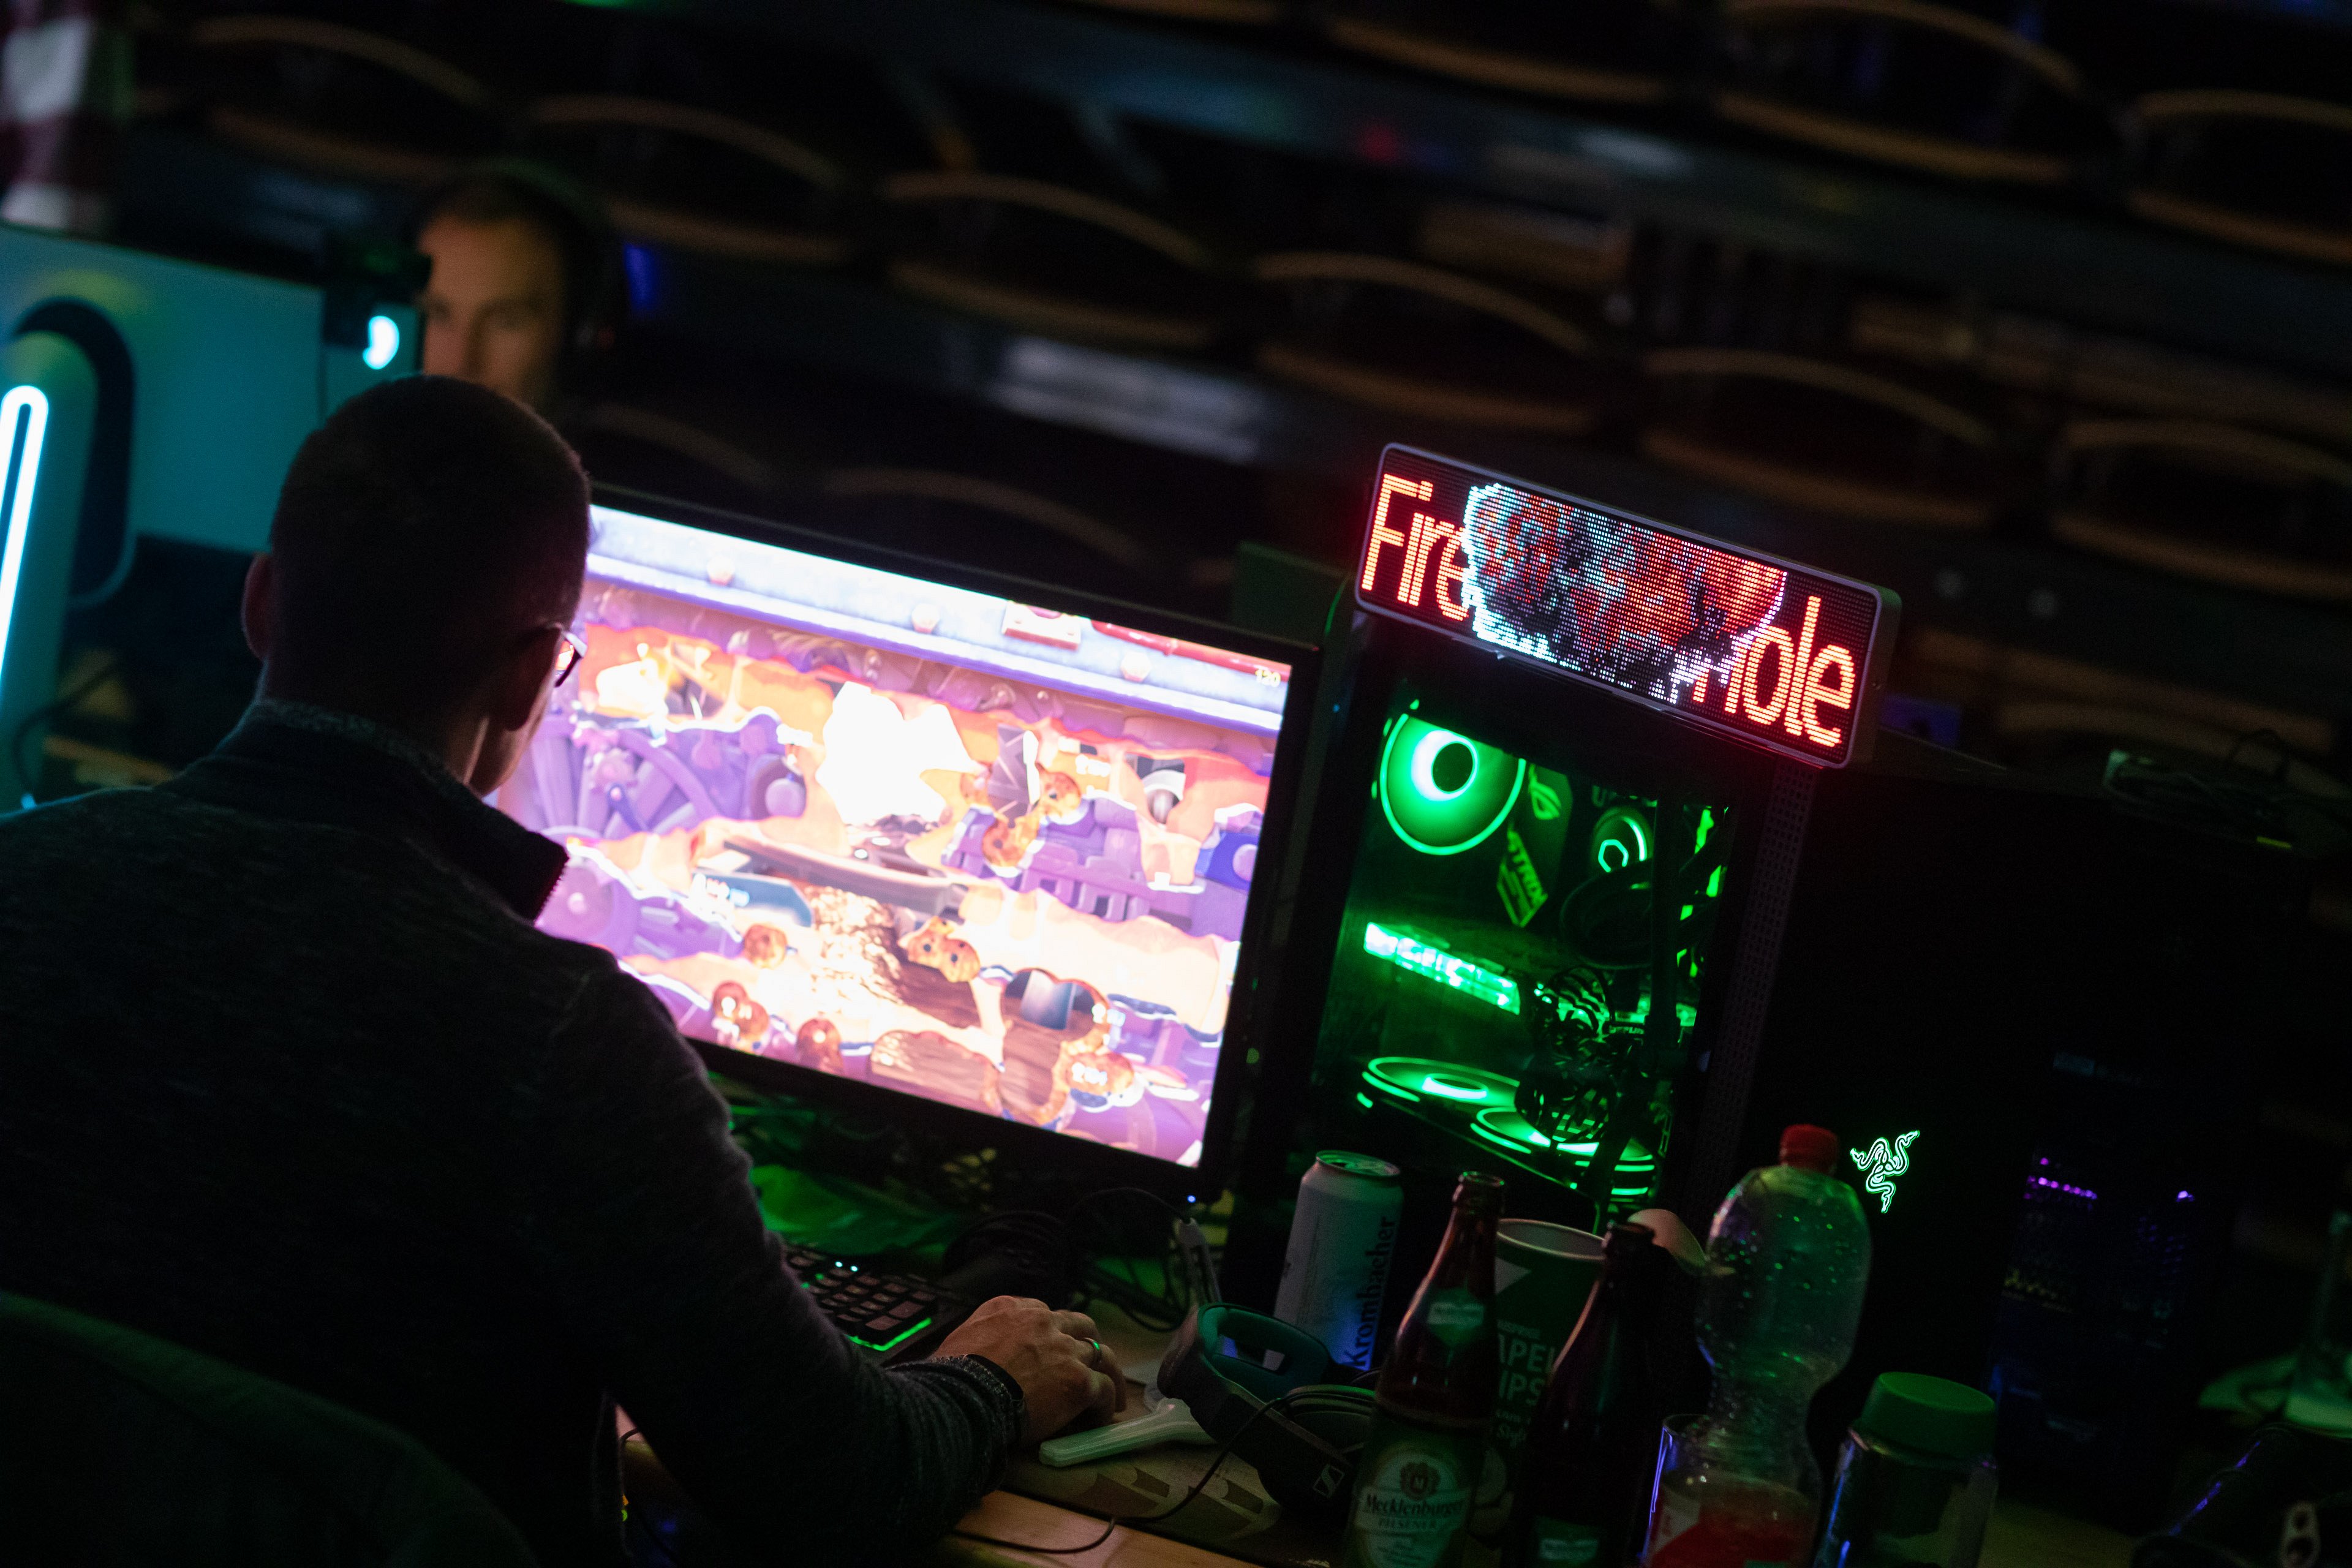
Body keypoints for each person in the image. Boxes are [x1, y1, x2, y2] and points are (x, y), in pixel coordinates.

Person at [0, 375, 1121, 1566]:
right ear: (535, 675)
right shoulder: (561, 1042)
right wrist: (994, 1377)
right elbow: (837, 1489)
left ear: (262, 602)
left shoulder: (19, 879)